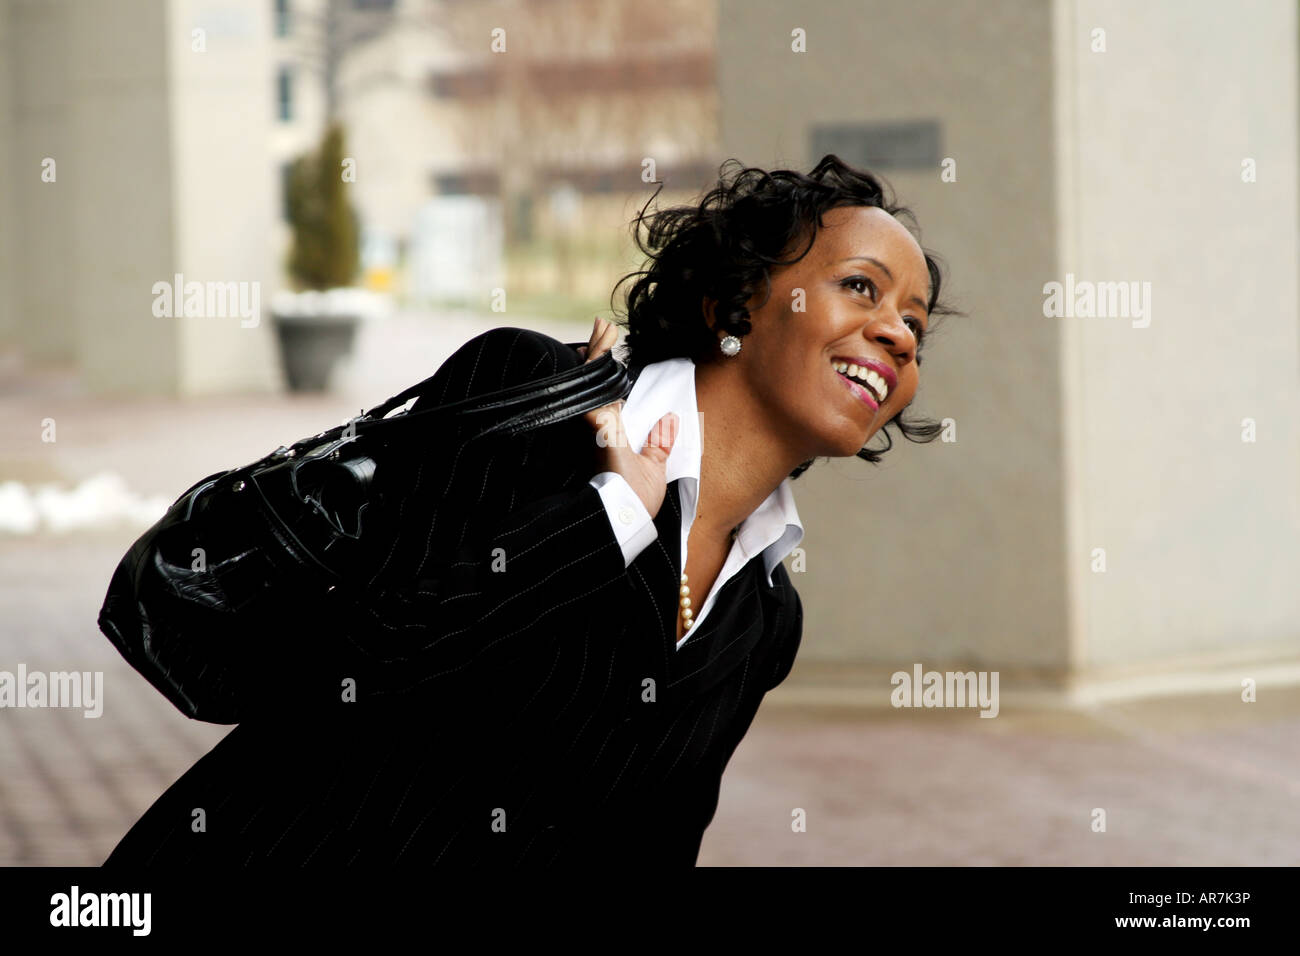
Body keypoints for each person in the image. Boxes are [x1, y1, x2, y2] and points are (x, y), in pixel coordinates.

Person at [103, 154, 953, 868]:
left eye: (913, 324)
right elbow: (370, 662)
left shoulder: (764, 616)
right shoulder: (529, 396)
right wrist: (612, 511)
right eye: (860, 288)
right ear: (734, 306)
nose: (899, 336)